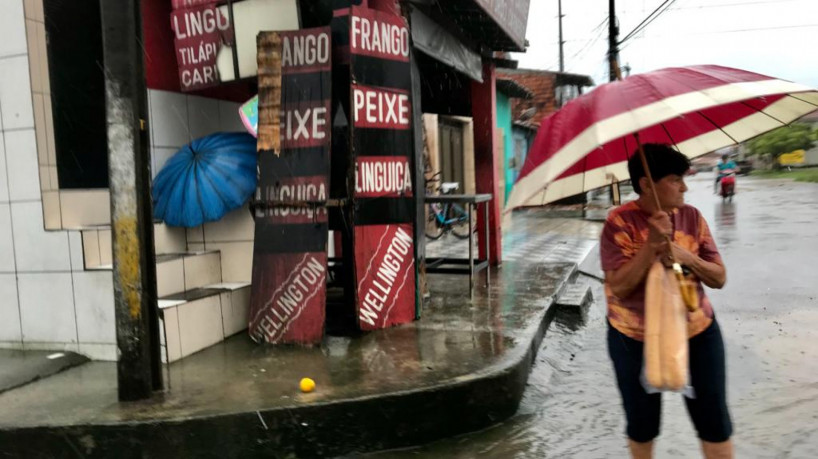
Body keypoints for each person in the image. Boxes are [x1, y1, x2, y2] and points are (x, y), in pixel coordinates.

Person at [601, 144, 734, 459]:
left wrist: (688, 257)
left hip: (697, 331)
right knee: (642, 423)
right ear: (647, 184)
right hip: (632, 337)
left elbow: (719, 277)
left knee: (714, 419)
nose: (684, 187)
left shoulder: (692, 217)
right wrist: (650, 246)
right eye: (676, 179)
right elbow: (618, 287)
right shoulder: (618, 223)